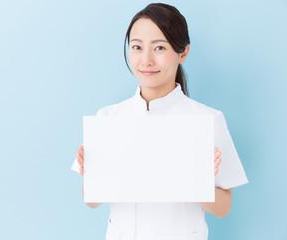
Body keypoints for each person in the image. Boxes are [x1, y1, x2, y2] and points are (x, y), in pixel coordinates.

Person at [71, 3, 248, 240]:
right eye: (136, 47)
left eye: (159, 48)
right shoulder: (109, 118)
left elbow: (224, 208)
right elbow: (91, 202)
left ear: (182, 53)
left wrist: (193, 179)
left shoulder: (207, 120)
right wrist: (94, 177)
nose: (146, 60)